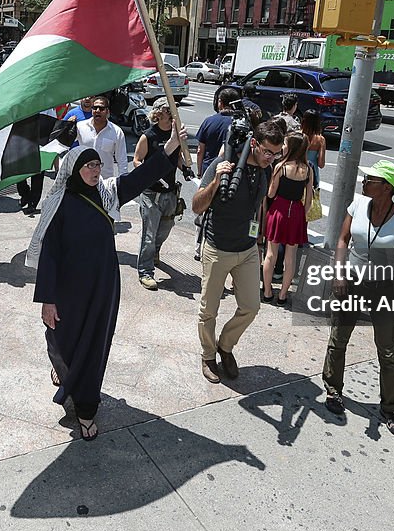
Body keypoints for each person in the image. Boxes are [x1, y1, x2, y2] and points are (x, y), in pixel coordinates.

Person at [28, 126, 186, 440]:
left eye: (98, 164)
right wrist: (47, 299)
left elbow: (141, 178)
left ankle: (86, 409)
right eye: (88, 166)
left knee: (93, 345)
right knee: (60, 340)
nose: (95, 170)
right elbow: (50, 256)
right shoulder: (57, 205)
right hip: (67, 290)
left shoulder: (107, 191)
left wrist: (170, 147)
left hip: (102, 285)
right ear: (73, 169)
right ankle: (62, 368)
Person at [322, 160, 394, 438]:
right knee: (338, 338)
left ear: (387, 187)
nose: (364, 182)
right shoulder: (356, 207)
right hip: (350, 281)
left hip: (385, 288)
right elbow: (342, 241)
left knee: (388, 351)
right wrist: (338, 274)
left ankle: (390, 410)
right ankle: (333, 389)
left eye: (371, 179)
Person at [193, 120, 285, 383]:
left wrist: (260, 238)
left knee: (251, 307)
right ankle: (209, 355)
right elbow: (196, 206)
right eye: (267, 151)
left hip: (246, 250)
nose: (271, 158)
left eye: (276, 153)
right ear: (254, 144)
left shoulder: (265, 171)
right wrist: (217, 180)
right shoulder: (224, 165)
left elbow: (258, 207)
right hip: (217, 247)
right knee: (208, 310)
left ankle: (225, 345)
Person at [133, 97, 191, 289]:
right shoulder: (148, 136)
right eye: (169, 111)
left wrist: (185, 169)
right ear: (159, 114)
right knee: (149, 234)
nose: (173, 114)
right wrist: (149, 174)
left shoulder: (176, 135)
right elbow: (137, 160)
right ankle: (145, 271)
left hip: (170, 192)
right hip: (151, 194)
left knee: (165, 229)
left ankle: (155, 251)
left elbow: (178, 157)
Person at [262, 132, 312, 305]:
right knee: (290, 259)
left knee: (271, 254)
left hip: (279, 210)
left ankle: (267, 291)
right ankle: (283, 295)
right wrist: (301, 217)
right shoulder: (308, 169)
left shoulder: (281, 167)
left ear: (291, 147)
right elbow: (309, 201)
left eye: (285, 144)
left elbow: (271, 193)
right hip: (296, 212)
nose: (283, 147)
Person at [76, 95, 128, 182]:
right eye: (95, 108)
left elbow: (122, 159)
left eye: (101, 108)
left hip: (105, 182)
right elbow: (65, 144)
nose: (97, 111)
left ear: (107, 111)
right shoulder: (80, 126)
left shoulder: (117, 132)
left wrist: (123, 182)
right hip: (82, 180)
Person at [196, 88, 238, 176]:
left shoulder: (208, 121)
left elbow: (200, 151)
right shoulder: (240, 123)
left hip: (208, 169)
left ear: (220, 102)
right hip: (230, 170)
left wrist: (199, 173)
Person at [301, 109, 326, 187]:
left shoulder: (297, 135)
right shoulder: (320, 140)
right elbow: (321, 164)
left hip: (297, 170)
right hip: (312, 172)